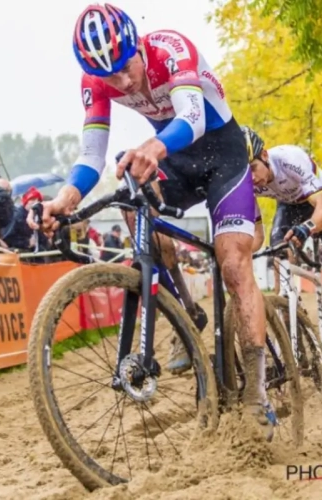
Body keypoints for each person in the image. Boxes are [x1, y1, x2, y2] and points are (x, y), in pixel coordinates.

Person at [29, 3, 274, 438]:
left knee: (233, 264)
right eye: (110, 77)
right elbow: (91, 155)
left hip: (223, 154)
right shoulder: (96, 81)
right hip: (176, 157)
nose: (122, 82)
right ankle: (184, 307)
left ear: (137, 46)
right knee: (129, 194)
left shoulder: (170, 49)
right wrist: (65, 198)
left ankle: (256, 396)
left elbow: (193, 118)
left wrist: (153, 148)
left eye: (125, 68)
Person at [242, 126, 322, 348]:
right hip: (289, 209)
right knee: (281, 268)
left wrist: (307, 227)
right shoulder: (246, 184)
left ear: (265, 155)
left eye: (253, 168)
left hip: (321, 201)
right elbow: (256, 237)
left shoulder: (290, 159)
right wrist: (238, 253)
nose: (251, 178)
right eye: (244, 172)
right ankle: (293, 332)